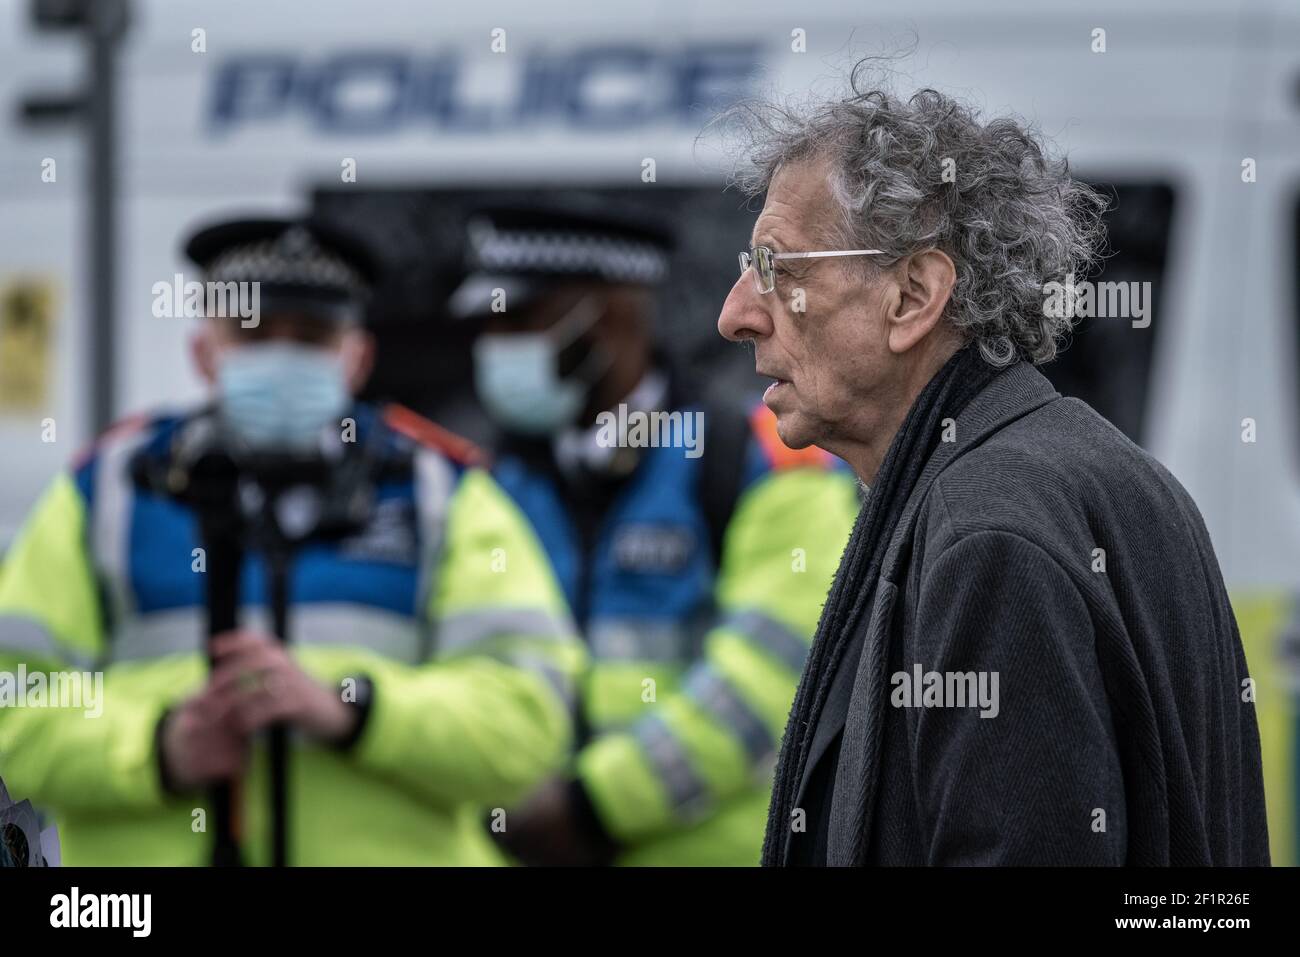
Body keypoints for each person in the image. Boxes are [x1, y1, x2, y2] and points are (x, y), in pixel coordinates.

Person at [717, 78, 1271, 866]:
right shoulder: (1087, 471)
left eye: (777, 266)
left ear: (913, 296)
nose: (735, 313)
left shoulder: (989, 533)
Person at [0, 215, 583, 865]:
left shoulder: (441, 493)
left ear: (357, 356)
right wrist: (159, 746)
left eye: (311, 336)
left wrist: (355, 710)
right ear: (204, 350)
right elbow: (15, 711)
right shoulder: (107, 491)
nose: (282, 355)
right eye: (251, 332)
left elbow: (529, 719)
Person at [451, 203, 858, 865]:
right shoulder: (489, 477)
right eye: (488, 325)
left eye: (518, 320)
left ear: (610, 315)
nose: (493, 347)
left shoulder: (760, 459)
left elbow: (773, 678)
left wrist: (591, 806)